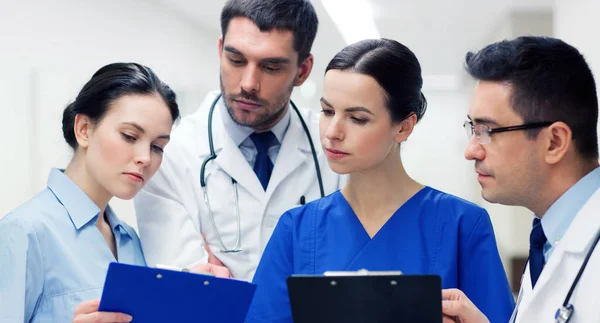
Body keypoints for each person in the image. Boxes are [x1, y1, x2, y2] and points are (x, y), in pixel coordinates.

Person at [246, 38, 515, 323]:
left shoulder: (462, 226)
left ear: (403, 126)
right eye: (327, 112)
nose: (332, 132)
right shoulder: (296, 231)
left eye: (357, 118)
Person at [0, 63, 227, 323]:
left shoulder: (130, 242)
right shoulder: (24, 232)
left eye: (157, 147)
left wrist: (184, 295)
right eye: (130, 136)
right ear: (84, 129)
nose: (145, 158)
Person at [134, 0, 343, 282]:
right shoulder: (171, 153)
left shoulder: (336, 147)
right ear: (220, 50)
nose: (248, 83)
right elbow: (185, 291)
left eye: (270, 67)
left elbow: (350, 272)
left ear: (303, 71)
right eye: (236, 60)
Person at [442, 36, 600, 323]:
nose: (470, 150)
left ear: (554, 142)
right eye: (472, 128)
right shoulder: (548, 239)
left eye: (487, 130)